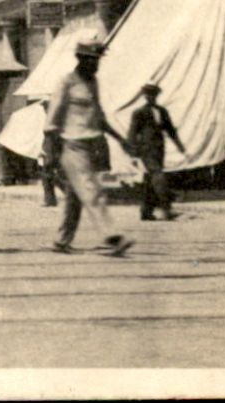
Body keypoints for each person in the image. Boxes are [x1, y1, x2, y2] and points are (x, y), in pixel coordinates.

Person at [43, 35, 135, 257]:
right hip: (72, 145)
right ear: (80, 59)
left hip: (92, 144)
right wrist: (51, 152)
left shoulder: (93, 83)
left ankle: (61, 240)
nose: (95, 64)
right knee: (91, 190)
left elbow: (99, 117)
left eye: (97, 60)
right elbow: (52, 120)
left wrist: (121, 138)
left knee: (77, 195)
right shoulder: (66, 82)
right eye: (91, 60)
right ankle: (113, 237)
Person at [129, 82, 185, 221]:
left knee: (151, 180)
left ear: (156, 95)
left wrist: (180, 146)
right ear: (144, 96)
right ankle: (166, 209)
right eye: (147, 94)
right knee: (158, 176)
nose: (150, 97)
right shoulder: (139, 112)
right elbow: (132, 133)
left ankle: (146, 212)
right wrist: (133, 153)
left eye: (153, 94)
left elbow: (170, 129)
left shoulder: (162, 111)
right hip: (146, 150)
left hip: (159, 149)